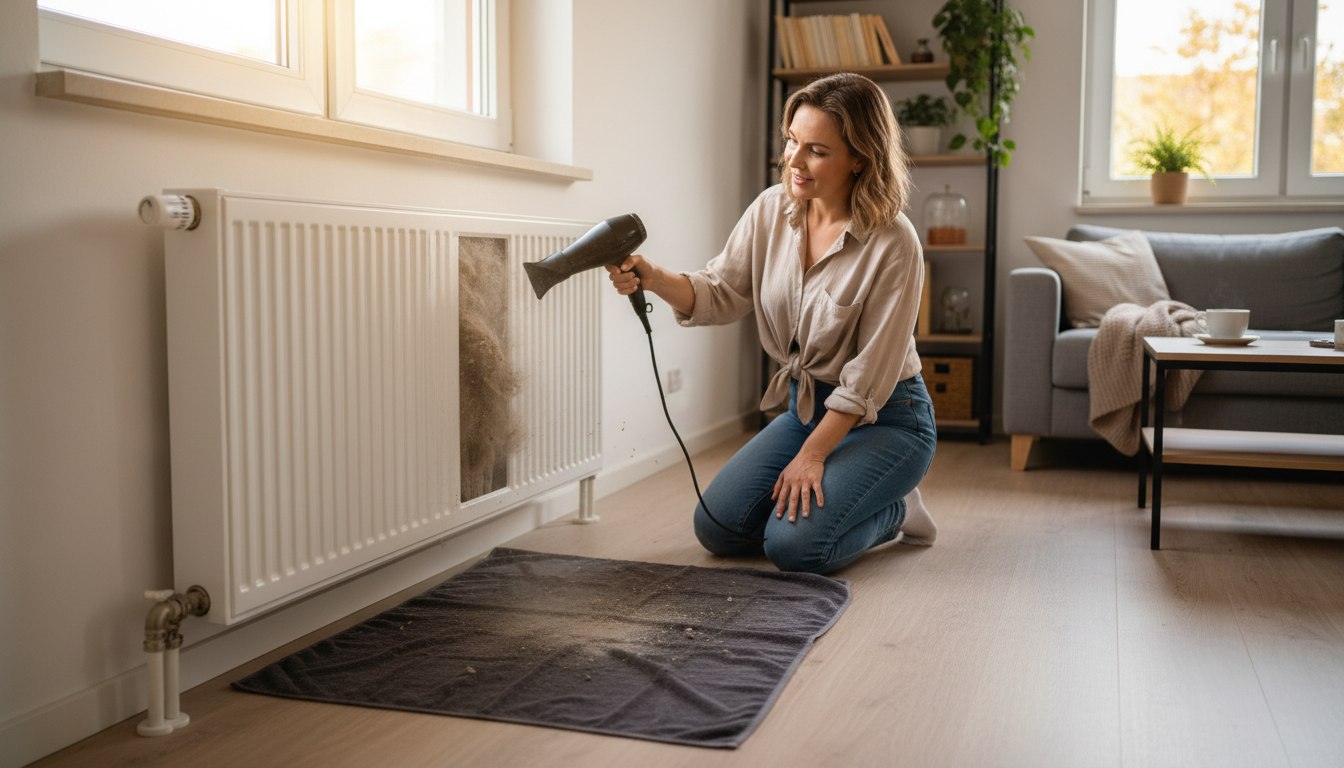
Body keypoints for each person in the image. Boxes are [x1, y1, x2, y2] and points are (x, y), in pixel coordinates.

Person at [606, 72, 938, 575]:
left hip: (887, 419)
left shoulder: (895, 242)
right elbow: (720, 292)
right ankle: (845, 496)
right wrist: (653, 277)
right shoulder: (771, 209)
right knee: (718, 527)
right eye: (791, 142)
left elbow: (868, 377)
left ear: (860, 158)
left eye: (816, 150)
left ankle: (895, 510)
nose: (794, 161)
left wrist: (812, 456)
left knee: (794, 548)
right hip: (806, 406)